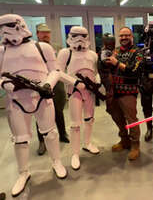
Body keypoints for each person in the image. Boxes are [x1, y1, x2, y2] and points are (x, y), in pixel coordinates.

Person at [0, 14, 79, 196]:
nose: (5, 31)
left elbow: (55, 71)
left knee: (50, 133)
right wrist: (5, 83)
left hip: (42, 97)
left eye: (9, 25)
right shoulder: (2, 50)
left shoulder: (42, 48)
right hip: (16, 100)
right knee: (20, 139)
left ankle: (56, 161)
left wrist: (47, 85)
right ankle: (23, 173)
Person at [57, 26, 101, 170]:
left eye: (83, 35)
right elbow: (57, 73)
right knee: (75, 124)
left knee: (89, 119)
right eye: (75, 35)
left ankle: (87, 143)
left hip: (90, 92)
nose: (79, 39)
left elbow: (95, 71)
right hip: (74, 91)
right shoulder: (65, 53)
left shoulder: (93, 54)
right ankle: (74, 153)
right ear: (70, 36)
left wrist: (98, 81)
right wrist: (74, 82)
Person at [105, 27, 143, 160]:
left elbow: (134, 72)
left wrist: (117, 63)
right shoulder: (114, 51)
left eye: (126, 35)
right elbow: (107, 69)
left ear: (131, 36)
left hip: (128, 91)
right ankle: (124, 140)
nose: (124, 38)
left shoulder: (137, 52)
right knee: (118, 118)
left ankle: (135, 145)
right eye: (121, 36)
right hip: (113, 91)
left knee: (131, 120)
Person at [35, 23, 69, 157]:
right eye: (42, 32)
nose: (45, 35)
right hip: (40, 83)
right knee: (40, 113)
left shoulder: (57, 48)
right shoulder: (33, 48)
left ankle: (63, 134)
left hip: (57, 84)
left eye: (47, 32)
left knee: (59, 110)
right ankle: (41, 141)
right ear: (37, 33)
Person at [98, 33, 115, 123]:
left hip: (111, 75)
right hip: (106, 75)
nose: (110, 43)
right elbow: (106, 63)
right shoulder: (104, 52)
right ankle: (110, 108)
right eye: (108, 42)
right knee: (110, 91)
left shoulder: (112, 50)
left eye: (112, 42)